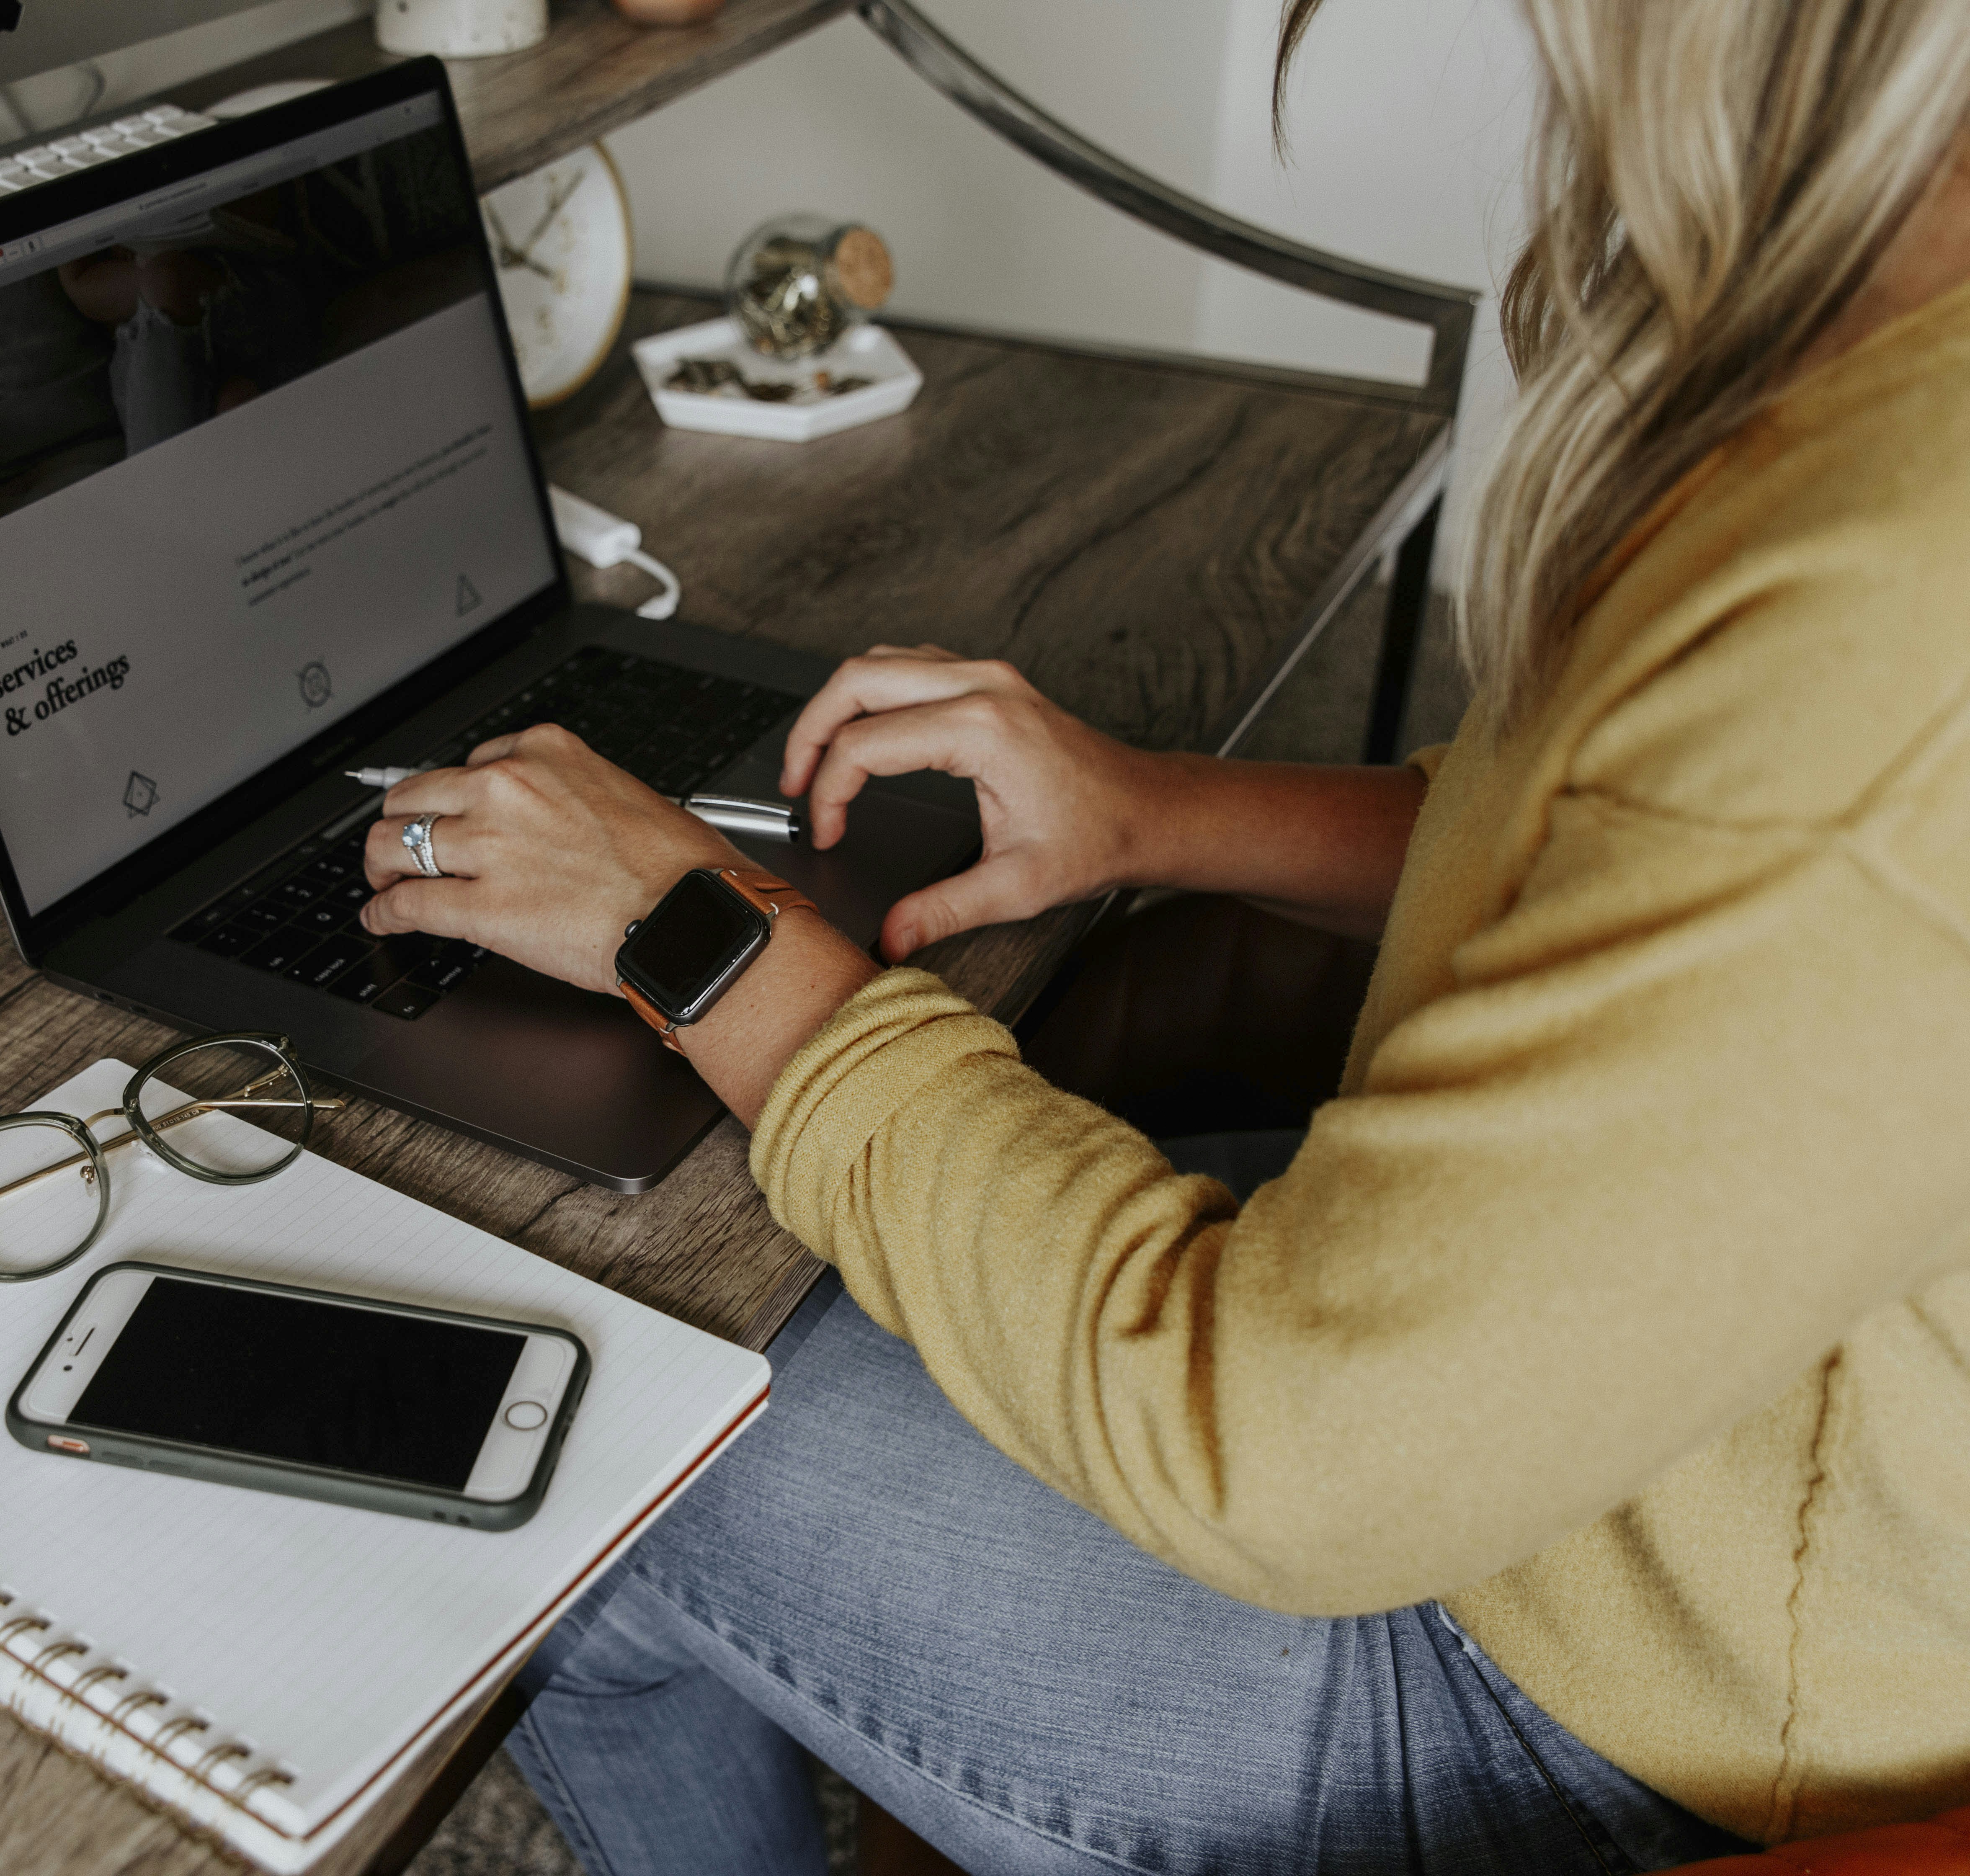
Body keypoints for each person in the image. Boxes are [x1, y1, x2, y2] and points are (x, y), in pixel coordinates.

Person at [352, 3, 1970, 1870]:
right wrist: (1145, 811)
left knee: (585, 1410)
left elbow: (1282, 1447)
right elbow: (1620, 863)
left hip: (1569, 1720)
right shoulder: (1887, 405)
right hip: (1622, 1465)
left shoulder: (1897, 614)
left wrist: (693, 929)